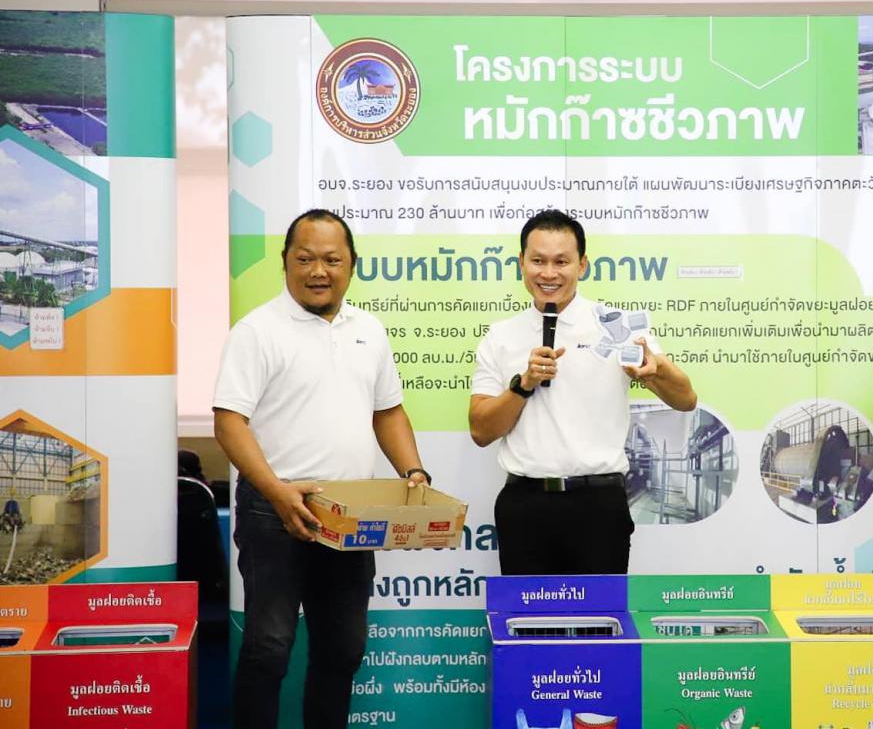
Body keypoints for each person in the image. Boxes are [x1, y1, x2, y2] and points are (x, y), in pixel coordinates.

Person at [213, 209, 429, 729]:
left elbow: (388, 411)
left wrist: (414, 472)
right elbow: (228, 422)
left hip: (348, 514)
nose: (318, 271)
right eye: (304, 258)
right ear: (285, 262)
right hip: (274, 510)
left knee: (343, 648)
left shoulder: (369, 330)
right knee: (269, 648)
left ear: (352, 264)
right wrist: (277, 491)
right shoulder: (257, 331)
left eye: (331, 260)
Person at [468, 209, 697, 575]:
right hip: (524, 506)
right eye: (538, 261)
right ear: (521, 263)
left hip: (599, 506)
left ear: (582, 265)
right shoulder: (500, 336)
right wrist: (523, 385)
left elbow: (686, 400)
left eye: (561, 262)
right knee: (529, 614)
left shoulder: (616, 327)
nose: (548, 273)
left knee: (601, 613)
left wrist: (657, 371)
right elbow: (481, 430)